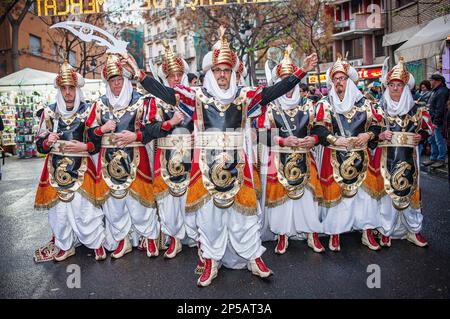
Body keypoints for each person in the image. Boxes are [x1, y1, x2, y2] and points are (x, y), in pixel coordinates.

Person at [124, 26, 318, 286]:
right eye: (218, 70)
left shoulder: (245, 95)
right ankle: (211, 261)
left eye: (227, 70)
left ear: (231, 72)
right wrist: (139, 74)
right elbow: (167, 94)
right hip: (206, 168)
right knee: (210, 219)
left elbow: (273, 92)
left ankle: (254, 258)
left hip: (239, 167)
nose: (223, 75)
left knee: (244, 218)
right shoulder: (197, 96)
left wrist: (301, 71)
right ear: (211, 73)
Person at [87, 54, 167, 259]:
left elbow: (156, 128)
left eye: (119, 80)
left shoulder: (141, 101)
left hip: (136, 158)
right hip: (108, 162)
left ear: (126, 80)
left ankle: (149, 237)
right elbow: (88, 134)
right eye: (112, 81)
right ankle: (123, 240)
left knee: (140, 203)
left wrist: (137, 135)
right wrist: (101, 130)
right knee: (115, 205)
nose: (116, 85)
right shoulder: (99, 104)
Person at [33, 60, 107, 262]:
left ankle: (96, 243)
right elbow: (39, 145)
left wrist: (85, 147)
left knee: (85, 210)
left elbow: (97, 140)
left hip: (82, 168)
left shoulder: (88, 111)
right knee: (59, 213)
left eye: (71, 88)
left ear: (76, 89)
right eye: (64, 88)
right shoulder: (48, 112)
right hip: (55, 170)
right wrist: (47, 141)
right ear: (59, 89)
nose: (67, 92)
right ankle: (64, 245)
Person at [257, 45, 325, 254]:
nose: (289, 87)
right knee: (281, 201)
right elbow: (260, 134)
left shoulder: (309, 105)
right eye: (285, 81)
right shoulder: (270, 108)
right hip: (279, 160)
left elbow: (321, 130)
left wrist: (313, 139)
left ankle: (312, 234)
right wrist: (281, 141)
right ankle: (282, 235)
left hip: (305, 159)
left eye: (291, 81)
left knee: (308, 198)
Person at [311, 55, 383, 252]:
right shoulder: (325, 104)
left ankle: (367, 232)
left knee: (365, 198)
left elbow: (377, 125)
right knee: (337, 198)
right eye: (335, 79)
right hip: (335, 156)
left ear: (349, 81)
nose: (339, 82)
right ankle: (335, 232)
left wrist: (368, 135)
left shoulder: (365, 104)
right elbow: (318, 129)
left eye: (342, 78)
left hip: (362, 157)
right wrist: (335, 140)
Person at [143, 43, 196, 258]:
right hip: (165, 158)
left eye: (179, 74)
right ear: (165, 77)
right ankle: (174, 239)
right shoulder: (154, 100)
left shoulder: (194, 97)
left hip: (191, 156)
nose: (175, 78)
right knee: (169, 202)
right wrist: (170, 122)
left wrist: (197, 133)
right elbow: (149, 131)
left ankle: (195, 237)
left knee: (192, 198)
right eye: (171, 75)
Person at [377, 57, 434, 247]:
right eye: (391, 84)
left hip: (411, 159)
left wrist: (422, 136)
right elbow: (369, 130)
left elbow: (429, 128)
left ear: (405, 87)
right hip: (386, 160)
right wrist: (379, 134)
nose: (394, 88)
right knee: (387, 194)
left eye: (399, 85)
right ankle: (386, 231)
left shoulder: (415, 108)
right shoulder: (379, 109)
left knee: (410, 193)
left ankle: (414, 230)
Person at [423, 73, 449, 168]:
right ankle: (433, 158)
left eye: (432, 80)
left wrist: (435, 122)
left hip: (439, 121)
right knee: (432, 140)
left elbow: (440, 109)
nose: (430, 82)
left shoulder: (442, 92)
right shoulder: (436, 91)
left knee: (439, 140)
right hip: (433, 120)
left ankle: (441, 159)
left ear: (438, 81)